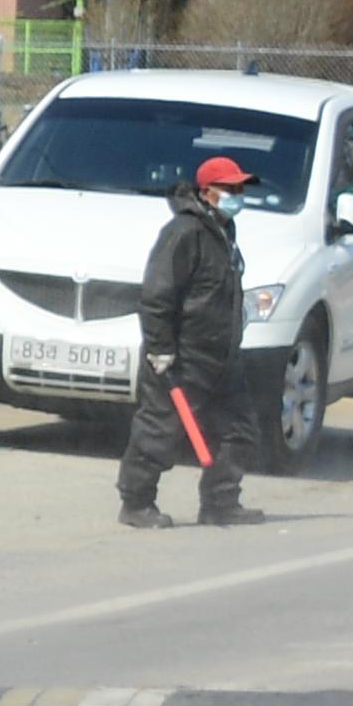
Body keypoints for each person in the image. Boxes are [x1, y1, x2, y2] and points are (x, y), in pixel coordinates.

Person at [118, 153, 265, 529]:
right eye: (229, 189)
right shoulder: (184, 232)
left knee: (240, 430)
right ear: (207, 192)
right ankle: (136, 503)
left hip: (221, 357)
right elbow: (156, 296)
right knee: (159, 431)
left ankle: (220, 501)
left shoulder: (222, 231)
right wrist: (161, 348)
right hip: (182, 357)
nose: (237, 195)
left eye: (240, 188)